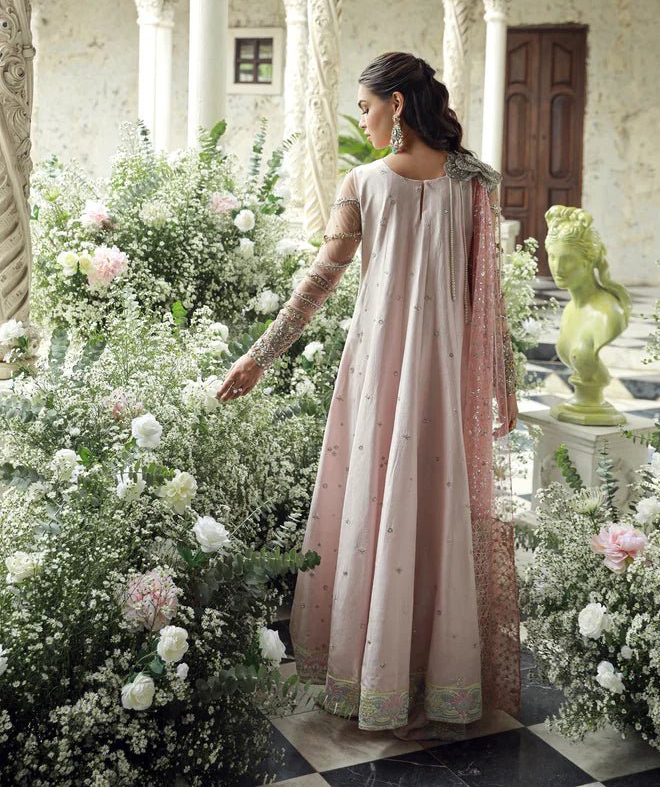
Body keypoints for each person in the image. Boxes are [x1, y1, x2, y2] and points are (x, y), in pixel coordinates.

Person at [217, 51, 521, 740]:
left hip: (413, 368)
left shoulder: (458, 184)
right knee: (397, 506)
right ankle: (395, 674)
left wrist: (501, 379)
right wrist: (259, 357)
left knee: (409, 506)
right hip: (401, 370)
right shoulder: (380, 181)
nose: (362, 115)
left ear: (398, 106)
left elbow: (482, 292)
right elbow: (325, 283)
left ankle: (408, 676)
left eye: (365, 104)